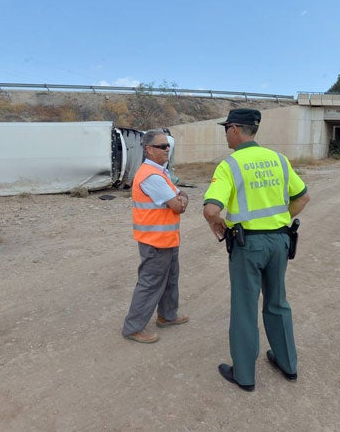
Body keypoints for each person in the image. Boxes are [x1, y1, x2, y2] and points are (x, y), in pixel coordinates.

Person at [203, 108, 310, 391]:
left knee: (245, 308)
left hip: (247, 244)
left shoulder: (230, 164)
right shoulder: (279, 159)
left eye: (227, 128)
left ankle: (245, 375)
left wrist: (218, 224)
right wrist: (281, 220)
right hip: (279, 241)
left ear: (236, 129)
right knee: (277, 302)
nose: (226, 133)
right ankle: (288, 364)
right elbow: (303, 197)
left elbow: (211, 208)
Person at [122, 129, 190, 343]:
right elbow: (178, 206)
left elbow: (181, 196)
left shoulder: (161, 173)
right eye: (162, 146)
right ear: (149, 149)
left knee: (170, 279)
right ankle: (133, 328)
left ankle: (167, 316)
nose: (167, 150)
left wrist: (181, 199)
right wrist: (180, 201)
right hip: (155, 242)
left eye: (168, 146)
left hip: (166, 239)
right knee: (150, 283)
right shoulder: (151, 176)